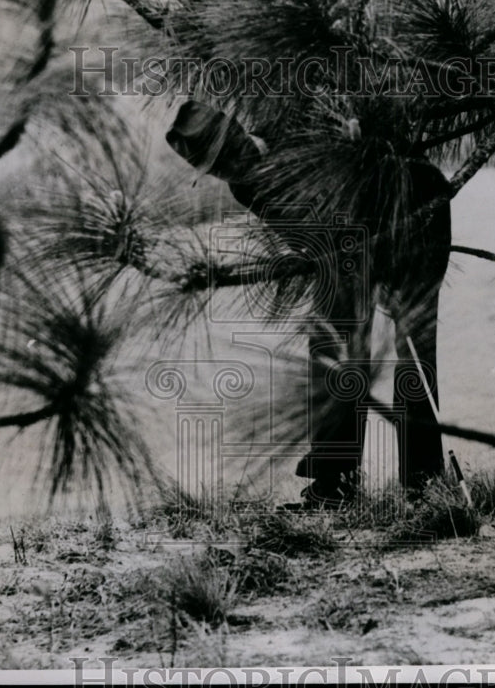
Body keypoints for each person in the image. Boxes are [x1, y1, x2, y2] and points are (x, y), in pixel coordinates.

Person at [166, 100, 449, 506]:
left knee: (415, 350)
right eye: (214, 168)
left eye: (226, 154)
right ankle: (334, 487)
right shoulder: (244, 185)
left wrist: (386, 269)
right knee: (332, 346)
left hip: (416, 208)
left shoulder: (298, 121)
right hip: (344, 246)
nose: (226, 168)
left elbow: (368, 145)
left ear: (239, 134)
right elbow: (314, 241)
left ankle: (424, 487)